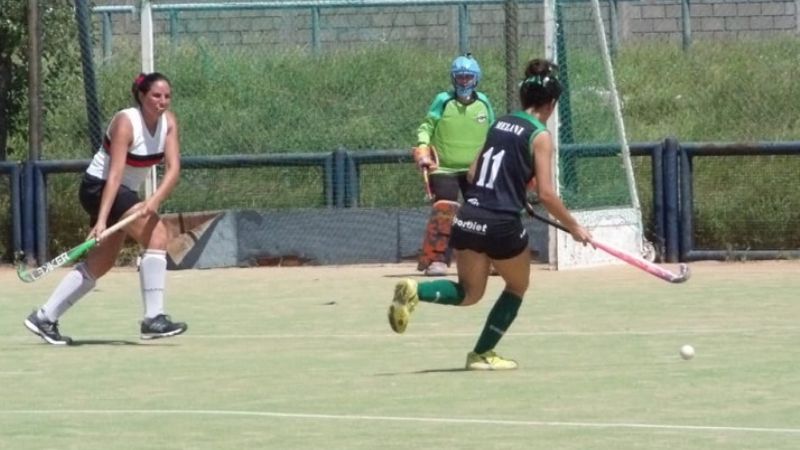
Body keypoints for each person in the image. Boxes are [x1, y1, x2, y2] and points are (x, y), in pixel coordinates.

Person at [389, 58, 592, 370]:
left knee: (469, 293)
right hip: (500, 224)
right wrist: (575, 227)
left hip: (468, 217)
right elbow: (547, 195)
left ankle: (417, 289)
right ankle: (481, 354)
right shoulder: (540, 136)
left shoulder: (499, 124)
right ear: (551, 104)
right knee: (516, 287)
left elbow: (472, 174)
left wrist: (509, 187)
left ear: (524, 98)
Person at [23, 72, 188, 345]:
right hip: (99, 188)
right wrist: (100, 221)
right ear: (142, 96)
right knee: (157, 235)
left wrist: (155, 199)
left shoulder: (169, 123)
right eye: (156, 96)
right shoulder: (126, 122)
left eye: (167, 96)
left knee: (101, 262)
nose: (162, 101)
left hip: (122, 193)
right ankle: (153, 318)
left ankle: (44, 317)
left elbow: (174, 168)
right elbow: (114, 175)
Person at [413, 53, 495, 276]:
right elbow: (426, 127)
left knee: (481, 213)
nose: (464, 82)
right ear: (453, 79)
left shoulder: (484, 102)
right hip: (444, 168)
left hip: (475, 169)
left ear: (476, 79)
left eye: (468, 77)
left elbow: (493, 133)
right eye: (460, 78)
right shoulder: (443, 100)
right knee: (445, 211)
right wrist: (422, 147)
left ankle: (487, 260)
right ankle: (437, 260)